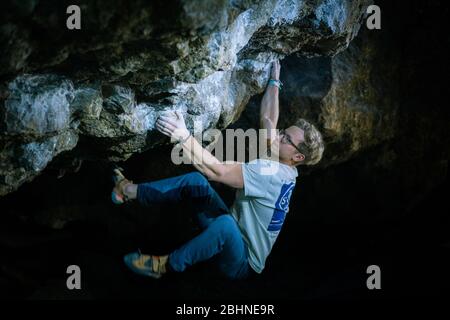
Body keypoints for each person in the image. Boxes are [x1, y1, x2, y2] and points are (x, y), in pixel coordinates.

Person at [112, 60, 325, 280]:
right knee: (196, 182)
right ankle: (127, 191)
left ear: (298, 157)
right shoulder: (284, 160)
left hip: (242, 263)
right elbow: (269, 119)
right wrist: (274, 80)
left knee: (225, 226)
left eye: (286, 138)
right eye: (283, 132)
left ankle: (163, 266)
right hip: (232, 229)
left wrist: (183, 135)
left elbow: (219, 172)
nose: (279, 136)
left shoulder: (272, 174)